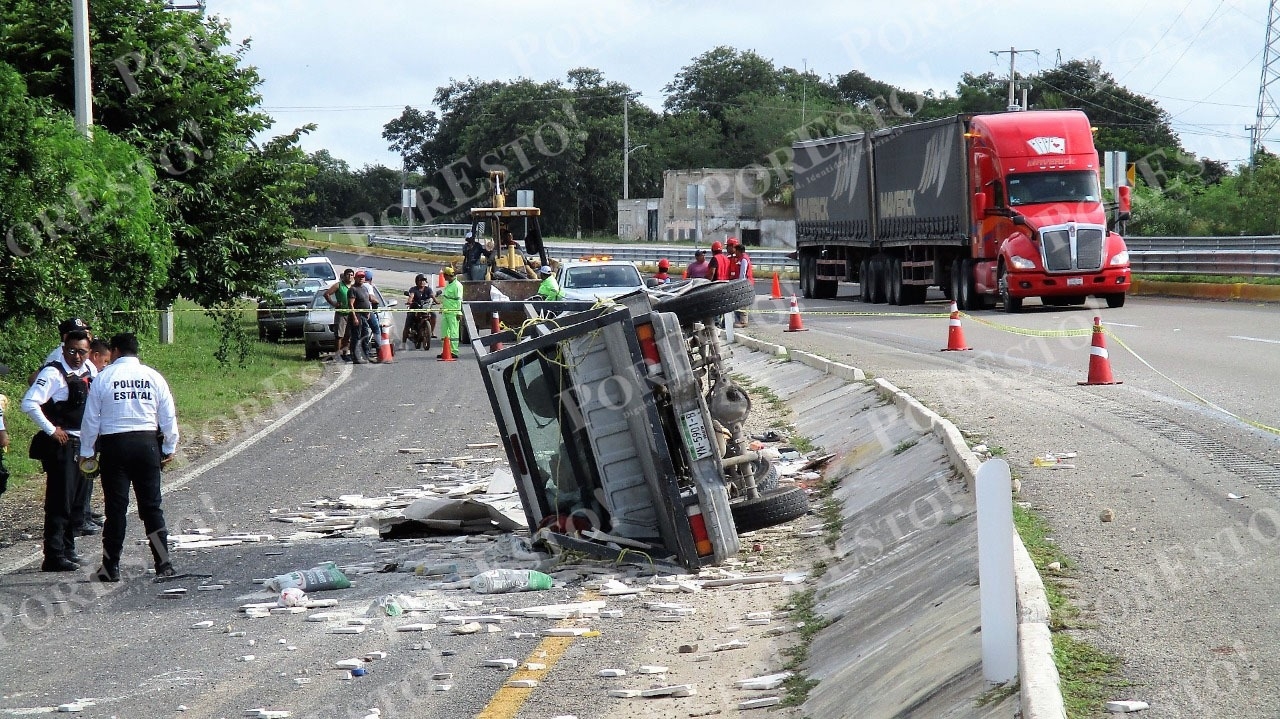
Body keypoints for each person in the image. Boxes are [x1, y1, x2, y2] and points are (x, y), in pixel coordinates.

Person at [78, 333, 179, 582]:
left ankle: (111, 567)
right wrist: (169, 446)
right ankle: (163, 563)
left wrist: (87, 453)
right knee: (152, 507)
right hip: (146, 444)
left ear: (114, 351)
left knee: (116, 509)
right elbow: (168, 417)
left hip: (115, 446)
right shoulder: (153, 377)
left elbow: (91, 419)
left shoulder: (104, 378)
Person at [21, 330, 95, 572]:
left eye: (82, 352)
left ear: (89, 352)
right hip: (63, 445)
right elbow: (29, 403)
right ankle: (53, 554)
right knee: (59, 500)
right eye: (72, 351)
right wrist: (52, 430)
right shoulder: (53, 373)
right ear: (63, 349)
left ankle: (68, 548)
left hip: (84, 445)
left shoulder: (90, 371)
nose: (76, 356)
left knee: (77, 501)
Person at [324, 268, 355, 361]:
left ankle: (345, 354)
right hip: (341, 313)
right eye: (348, 275)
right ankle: (337, 355)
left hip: (351, 313)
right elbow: (326, 294)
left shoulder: (353, 287)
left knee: (348, 335)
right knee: (339, 335)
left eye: (351, 275)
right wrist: (333, 303)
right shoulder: (339, 285)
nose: (349, 277)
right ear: (344, 276)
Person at [347, 270, 375, 364]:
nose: (361, 278)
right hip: (357, 315)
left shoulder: (364, 288)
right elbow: (351, 304)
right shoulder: (353, 289)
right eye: (359, 277)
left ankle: (365, 355)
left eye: (362, 277)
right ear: (355, 278)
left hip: (364, 315)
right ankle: (355, 357)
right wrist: (354, 317)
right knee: (356, 336)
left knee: (365, 336)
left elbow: (367, 300)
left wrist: (367, 313)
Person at [436, 266, 463, 358]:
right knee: (444, 332)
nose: (443, 277)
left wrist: (459, 312)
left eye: (444, 275)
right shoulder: (449, 284)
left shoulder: (457, 286)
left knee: (454, 332)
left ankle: (454, 351)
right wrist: (442, 307)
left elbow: (459, 300)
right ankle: (445, 350)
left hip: (453, 312)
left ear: (448, 275)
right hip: (446, 311)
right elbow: (446, 298)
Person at [403, 273, 435, 351]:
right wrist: (409, 301)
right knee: (409, 321)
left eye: (424, 280)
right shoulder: (414, 289)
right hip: (415, 308)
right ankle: (403, 341)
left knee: (433, 315)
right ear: (417, 281)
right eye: (421, 280)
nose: (422, 282)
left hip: (425, 309)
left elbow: (432, 295)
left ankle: (431, 332)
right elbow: (411, 296)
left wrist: (436, 301)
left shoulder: (428, 289)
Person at [730, 243, 755, 327]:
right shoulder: (741, 258)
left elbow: (742, 274)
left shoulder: (743, 259)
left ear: (739, 251)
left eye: (736, 251)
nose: (735, 253)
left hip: (745, 283)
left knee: (744, 303)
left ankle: (743, 322)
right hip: (745, 283)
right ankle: (741, 320)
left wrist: (740, 284)